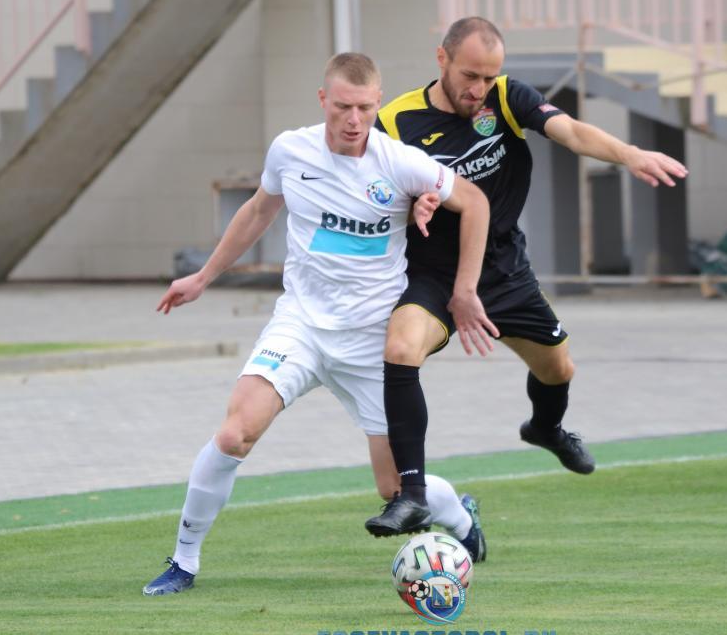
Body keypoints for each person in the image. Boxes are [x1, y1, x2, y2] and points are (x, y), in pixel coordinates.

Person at [143, 52, 495, 595]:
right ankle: (184, 560)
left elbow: (475, 203)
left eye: (365, 108)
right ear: (323, 100)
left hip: (371, 339)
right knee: (235, 433)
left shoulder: (402, 163)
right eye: (343, 107)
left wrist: (464, 288)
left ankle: (461, 518)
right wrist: (204, 276)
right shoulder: (290, 150)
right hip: (301, 326)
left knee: (393, 488)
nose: (354, 120)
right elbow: (259, 210)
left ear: (378, 103)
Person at [364, 17, 688, 536]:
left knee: (558, 369)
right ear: (442, 59)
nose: (479, 89)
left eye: (488, 77)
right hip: (433, 274)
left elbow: (571, 132)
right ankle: (413, 495)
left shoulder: (508, 98)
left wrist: (631, 154)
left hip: (504, 270)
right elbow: (372, 195)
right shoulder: (395, 121)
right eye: (470, 75)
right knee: (401, 349)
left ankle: (546, 427)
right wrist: (410, 206)